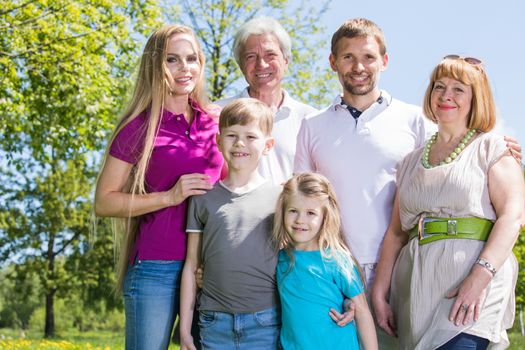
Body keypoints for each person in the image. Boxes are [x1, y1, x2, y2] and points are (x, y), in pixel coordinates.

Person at [372, 56, 524, 349]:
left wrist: (479, 278)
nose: (446, 95)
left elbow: (513, 217)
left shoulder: (492, 148)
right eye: (439, 87)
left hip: (473, 280)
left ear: (475, 98)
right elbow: (395, 233)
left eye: (458, 89)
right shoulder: (410, 162)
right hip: (420, 285)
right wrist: (380, 293)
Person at [94, 25, 223, 350]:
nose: (185, 69)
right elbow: (104, 202)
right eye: (172, 60)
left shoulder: (217, 121)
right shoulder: (138, 126)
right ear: (155, 65)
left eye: (191, 58)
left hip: (208, 269)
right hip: (156, 268)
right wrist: (169, 196)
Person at [180, 98, 281, 350]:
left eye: (250, 137)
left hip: (266, 322)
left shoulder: (280, 198)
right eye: (232, 135)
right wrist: (184, 331)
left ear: (268, 145)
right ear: (218, 140)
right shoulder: (202, 199)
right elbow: (192, 265)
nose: (239, 143)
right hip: (215, 322)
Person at [273, 172, 378, 350]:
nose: (300, 220)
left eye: (310, 213)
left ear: (325, 216)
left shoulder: (337, 259)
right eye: (293, 211)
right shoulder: (280, 259)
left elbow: (362, 311)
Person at [217, 16, 317, 185]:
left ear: (285, 61)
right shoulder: (216, 113)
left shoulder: (310, 119)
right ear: (241, 64)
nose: (261, 64)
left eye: (270, 55)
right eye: (250, 57)